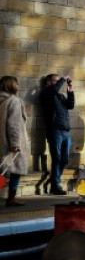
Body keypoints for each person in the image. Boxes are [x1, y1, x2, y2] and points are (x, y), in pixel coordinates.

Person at [40, 73, 75, 195]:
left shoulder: (59, 96)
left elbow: (70, 105)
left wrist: (70, 92)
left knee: (64, 160)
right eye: (55, 80)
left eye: (58, 81)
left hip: (65, 130)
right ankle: (55, 186)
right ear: (48, 82)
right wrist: (63, 79)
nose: (58, 83)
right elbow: (53, 89)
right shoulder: (46, 94)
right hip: (54, 130)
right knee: (57, 158)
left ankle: (55, 180)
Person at [1, 76, 30, 207]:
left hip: (1, 140)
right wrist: (15, 144)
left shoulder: (2, 101)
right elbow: (14, 124)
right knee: (16, 170)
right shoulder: (14, 101)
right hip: (11, 142)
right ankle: (11, 198)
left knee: (2, 170)